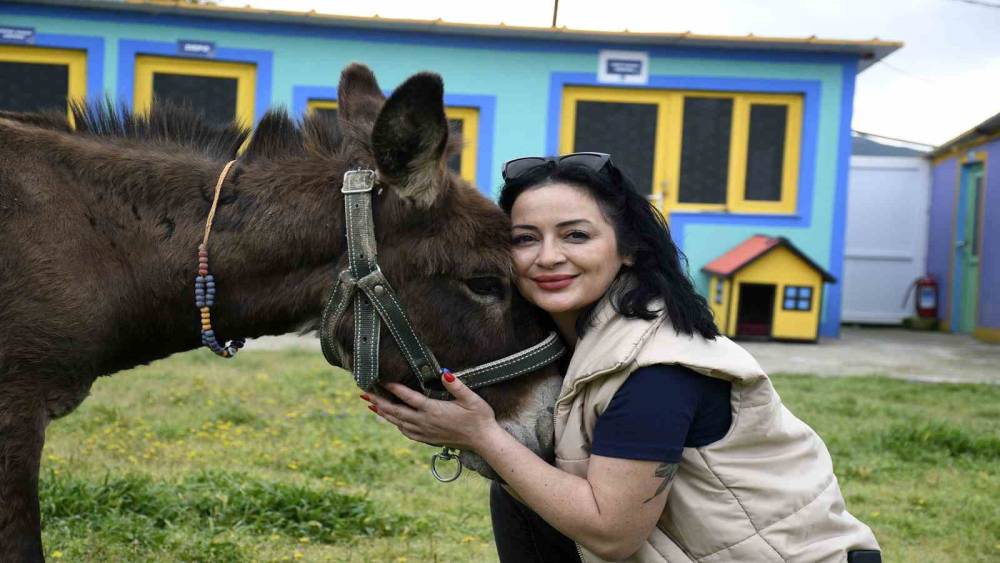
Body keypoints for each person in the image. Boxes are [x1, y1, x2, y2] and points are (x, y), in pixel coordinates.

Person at [363, 153, 881, 563]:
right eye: (525, 239)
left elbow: (611, 533)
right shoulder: (578, 336)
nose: (548, 257)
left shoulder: (658, 369)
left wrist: (481, 435)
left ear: (627, 248)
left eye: (576, 235)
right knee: (521, 484)